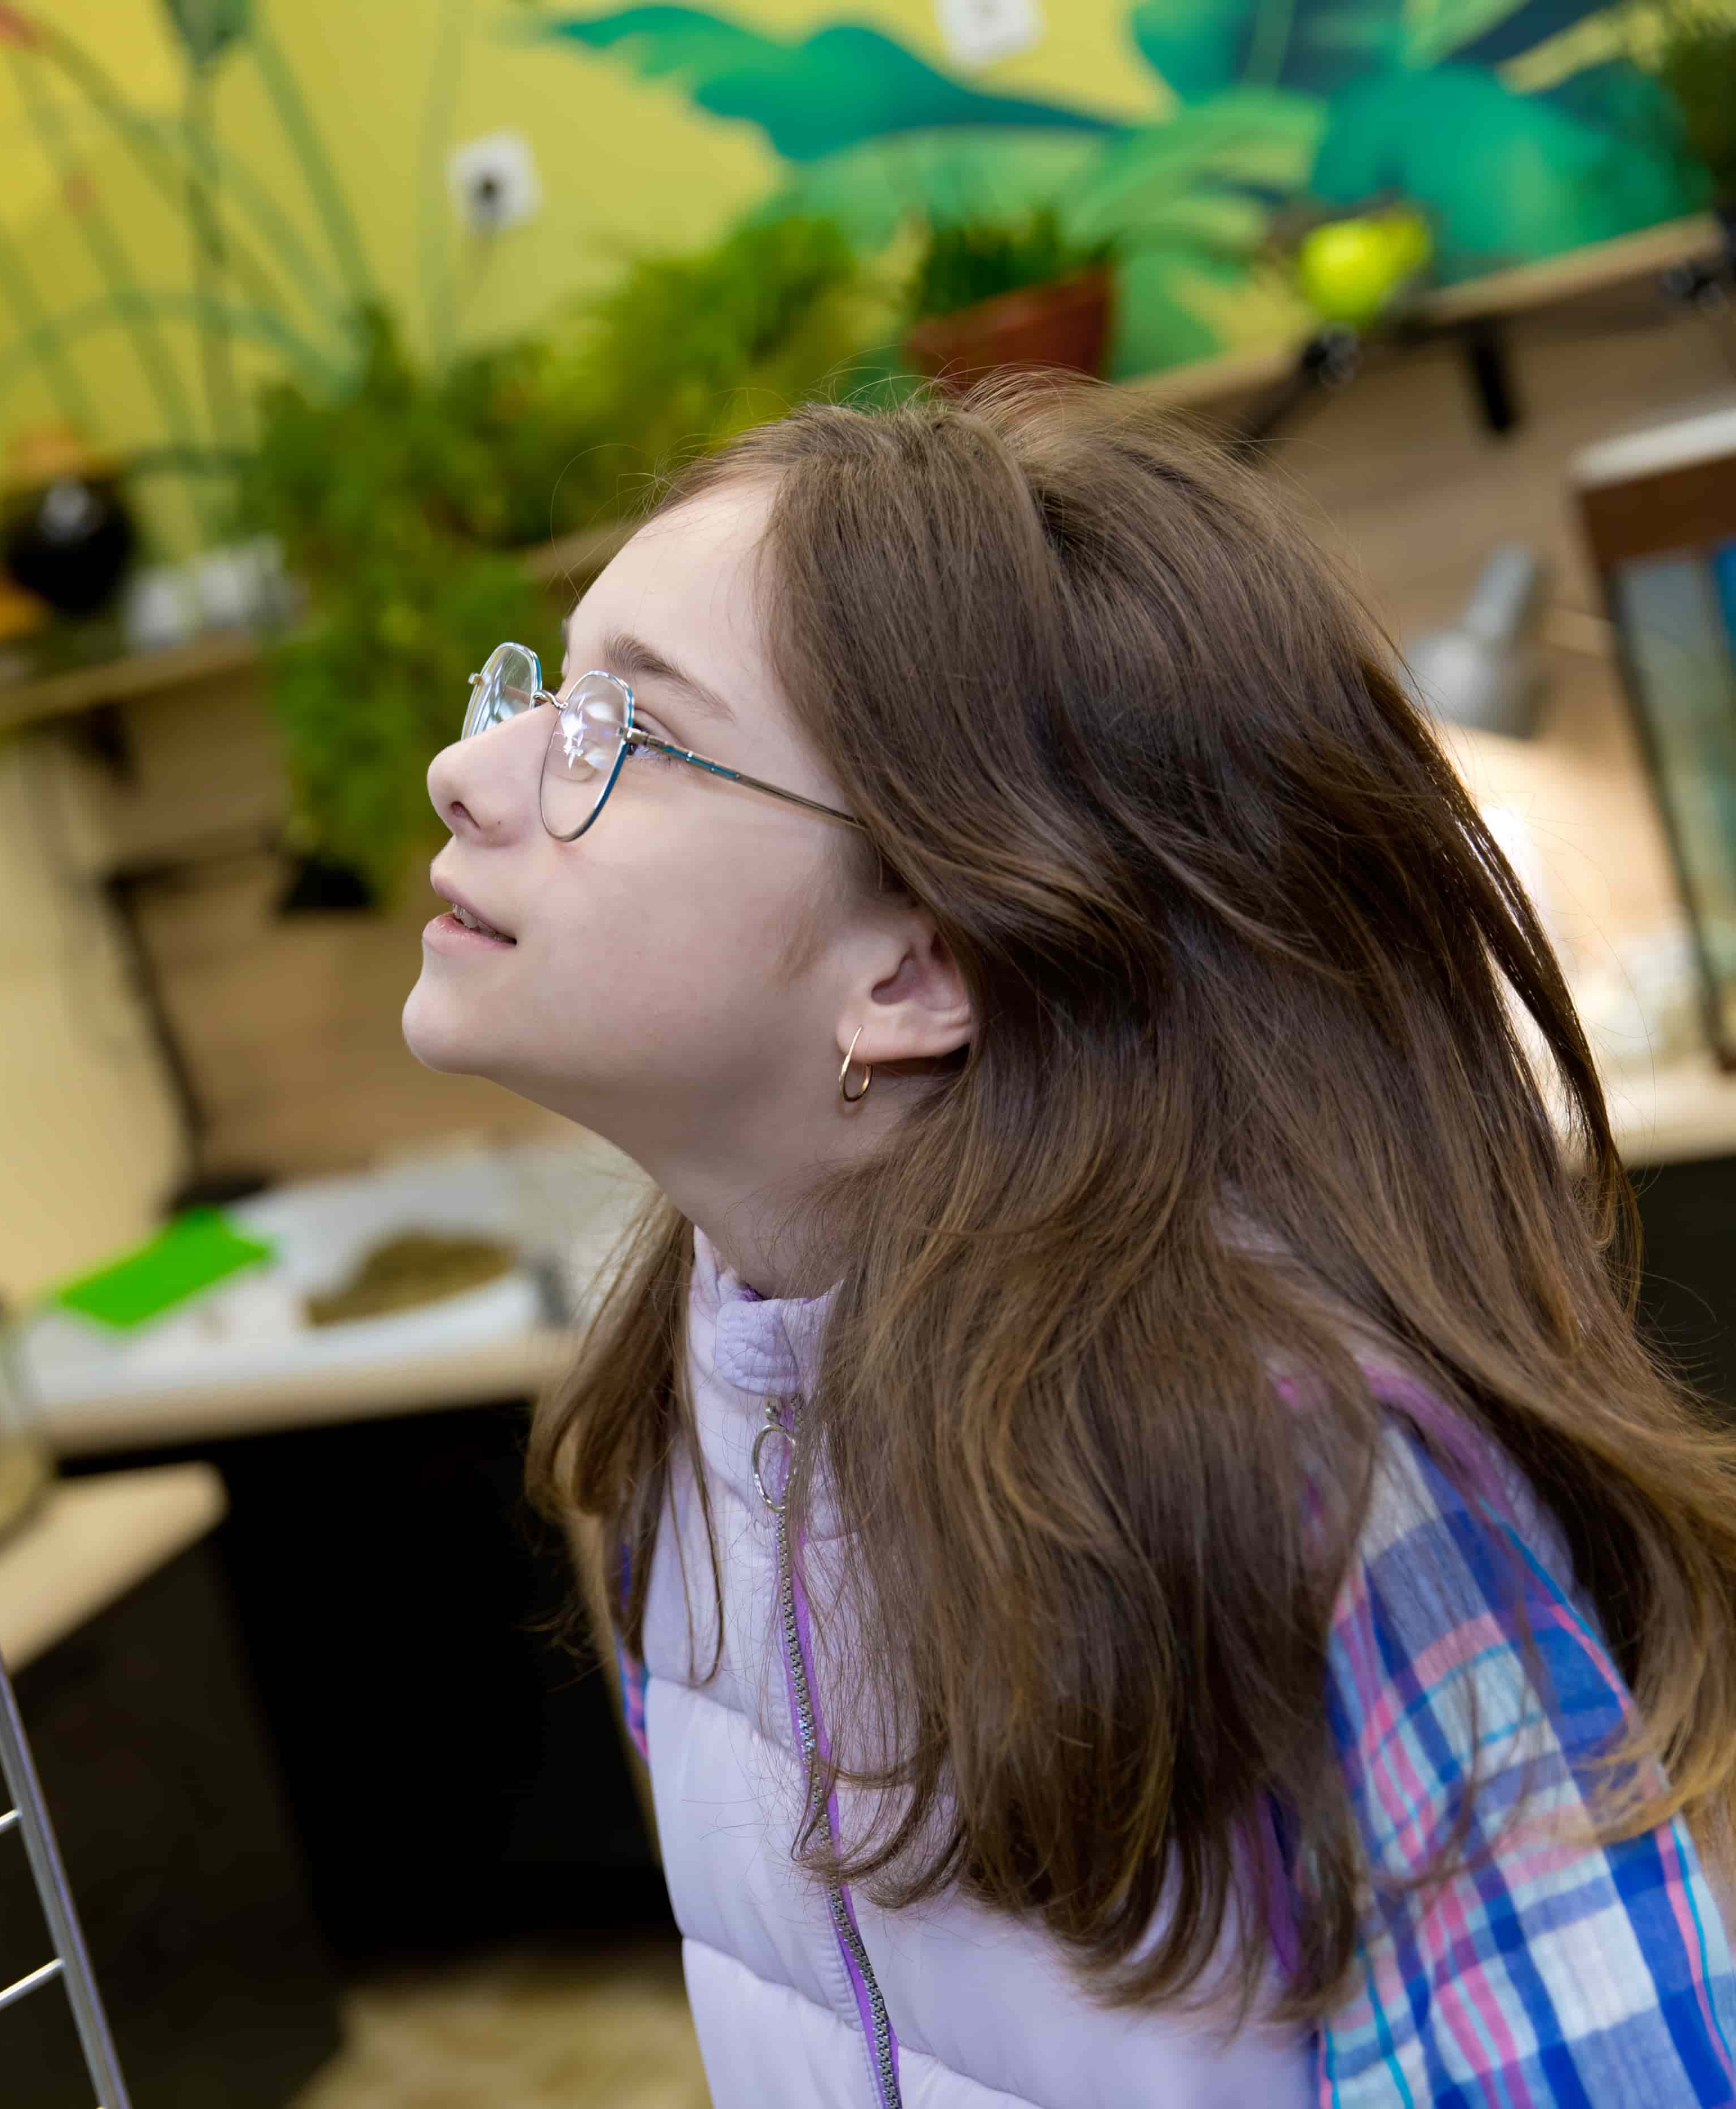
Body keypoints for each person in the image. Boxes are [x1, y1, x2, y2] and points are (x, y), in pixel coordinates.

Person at [406, 377, 1736, 2105]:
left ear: (914, 970)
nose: (464, 769)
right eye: (540, 689)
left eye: (620, 737)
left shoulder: (1308, 1480)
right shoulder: (679, 1414)